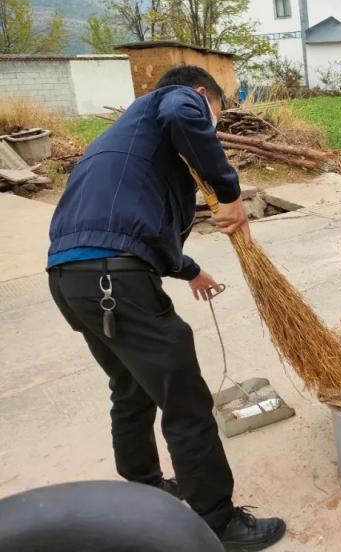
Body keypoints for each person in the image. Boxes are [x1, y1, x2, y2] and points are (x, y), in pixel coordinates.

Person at [46, 66, 285, 551]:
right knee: (186, 401)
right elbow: (181, 110)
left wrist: (190, 269)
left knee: (131, 386)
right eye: (215, 111)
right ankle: (218, 524)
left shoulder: (125, 136)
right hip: (113, 278)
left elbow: (125, 224)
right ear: (201, 94)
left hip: (71, 278)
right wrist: (229, 193)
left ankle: (144, 487)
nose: (210, 122)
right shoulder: (176, 100)